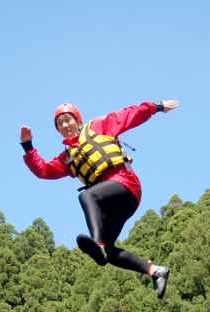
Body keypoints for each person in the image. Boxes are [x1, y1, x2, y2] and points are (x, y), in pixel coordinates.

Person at [20, 100, 180, 298]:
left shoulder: (98, 127)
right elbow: (44, 170)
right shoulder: (67, 158)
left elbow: (129, 115)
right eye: (59, 124)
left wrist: (156, 107)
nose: (64, 126)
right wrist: (28, 146)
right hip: (111, 206)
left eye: (67, 120)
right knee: (110, 254)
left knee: (87, 195)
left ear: (77, 120)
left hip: (125, 184)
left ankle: (99, 245)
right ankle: (155, 271)